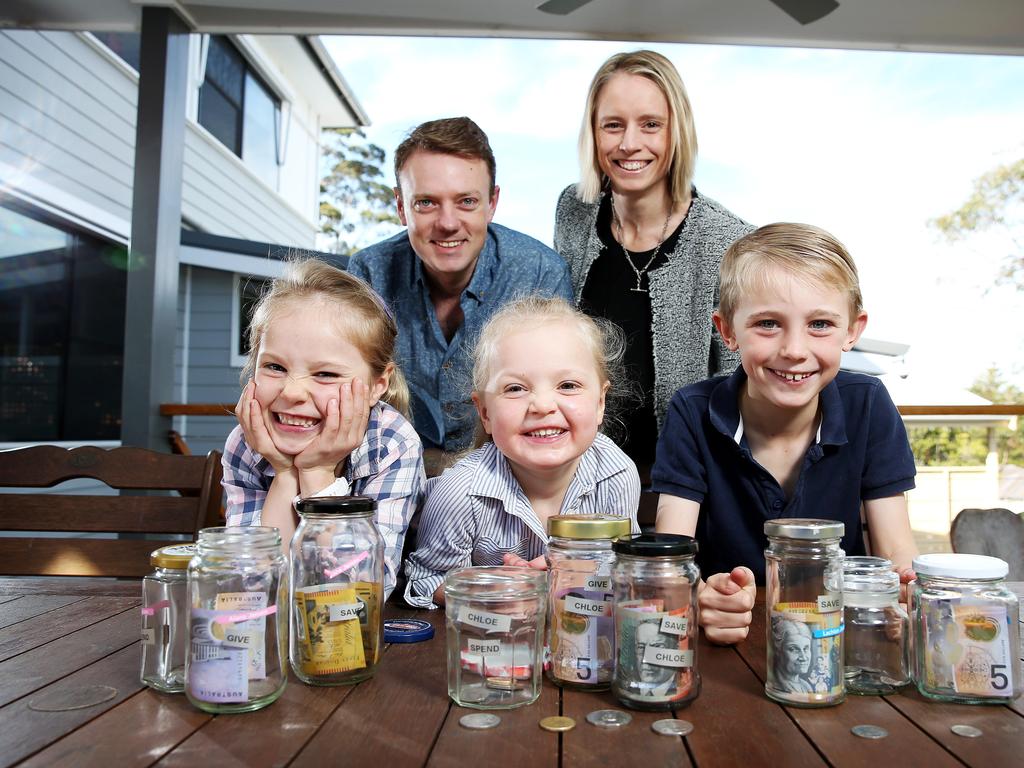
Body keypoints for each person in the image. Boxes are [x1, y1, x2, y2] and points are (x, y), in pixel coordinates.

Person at [653, 223, 920, 643]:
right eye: (767, 323)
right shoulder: (691, 411)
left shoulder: (868, 403)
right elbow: (670, 560)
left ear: (852, 330)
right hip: (729, 642)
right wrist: (699, 595)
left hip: (837, 633)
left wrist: (903, 592)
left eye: (819, 324)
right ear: (727, 331)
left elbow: (896, 553)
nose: (795, 349)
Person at [555, 50, 753, 467]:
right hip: (578, 475)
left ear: (676, 132)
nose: (630, 144)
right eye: (613, 125)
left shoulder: (729, 241)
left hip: (686, 481)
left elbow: (739, 387)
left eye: (650, 125)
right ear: (593, 133)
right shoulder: (572, 212)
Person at [348, 117, 574, 454]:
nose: (448, 223)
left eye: (466, 201)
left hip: (510, 472)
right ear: (400, 207)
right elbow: (348, 394)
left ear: (492, 203)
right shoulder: (369, 273)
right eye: (426, 202)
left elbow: (559, 402)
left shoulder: (541, 274)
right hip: (391, 468)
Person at [403, 297, 641, 608]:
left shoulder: (615, 474)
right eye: (515, 388)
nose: (542, 405)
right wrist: (491, 590)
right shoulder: (460, 493)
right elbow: (427, 578)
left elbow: (629, 572)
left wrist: (580, 576)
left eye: (568, 385)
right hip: (494, 643)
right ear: (485, 412)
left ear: (600, 403)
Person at [222, 259, 425, 599]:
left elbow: (363, 592)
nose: (292, 392)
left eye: (326, 374)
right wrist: (285, 473)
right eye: (274, 366)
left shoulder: (390, 443)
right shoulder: (248, 442)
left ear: (377, 385)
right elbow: (254, 588)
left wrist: (316, 471)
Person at [771, 618, 814, 694]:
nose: (803, 658)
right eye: (793, 649)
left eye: (806, 649)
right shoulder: (776, 685)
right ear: (777, 651)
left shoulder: (806, 686)